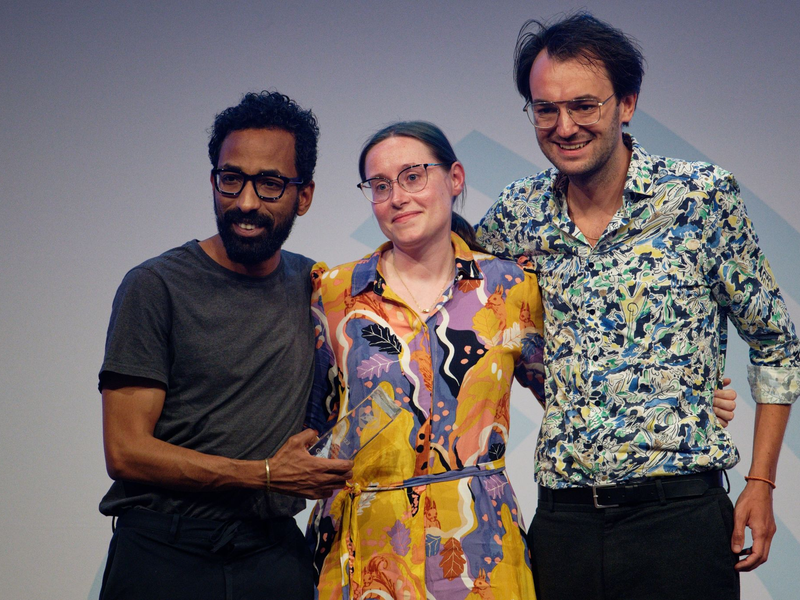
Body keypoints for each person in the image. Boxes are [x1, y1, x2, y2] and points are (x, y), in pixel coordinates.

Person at [476, 13, 799, 600]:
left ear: (626, 104)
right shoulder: (516, 214)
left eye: (584, 106)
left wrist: (761, 483)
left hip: (680, 519)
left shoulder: (700, 197)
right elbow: (461, 306)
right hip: (565, 521)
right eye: (545, 109)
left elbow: (776, 341)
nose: (564, 125)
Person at [97, 91, 353, 600]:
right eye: (230, 178)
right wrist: (263, 475)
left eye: (271, 183)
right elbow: (125, 451)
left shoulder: (318, 287)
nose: (246, 202)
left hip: (272, 552)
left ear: (304, 195)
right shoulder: (155, 286)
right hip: (163, 552)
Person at [305, 121, 545, 599]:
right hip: (364, 543)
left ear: (455, 179)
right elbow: (311, 417)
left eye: (414, 176)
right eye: (380, 185)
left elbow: (571, 399)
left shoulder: (512, 287)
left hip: (479, 545)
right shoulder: (332, 292)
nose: (398, 196)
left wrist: (702, 397)